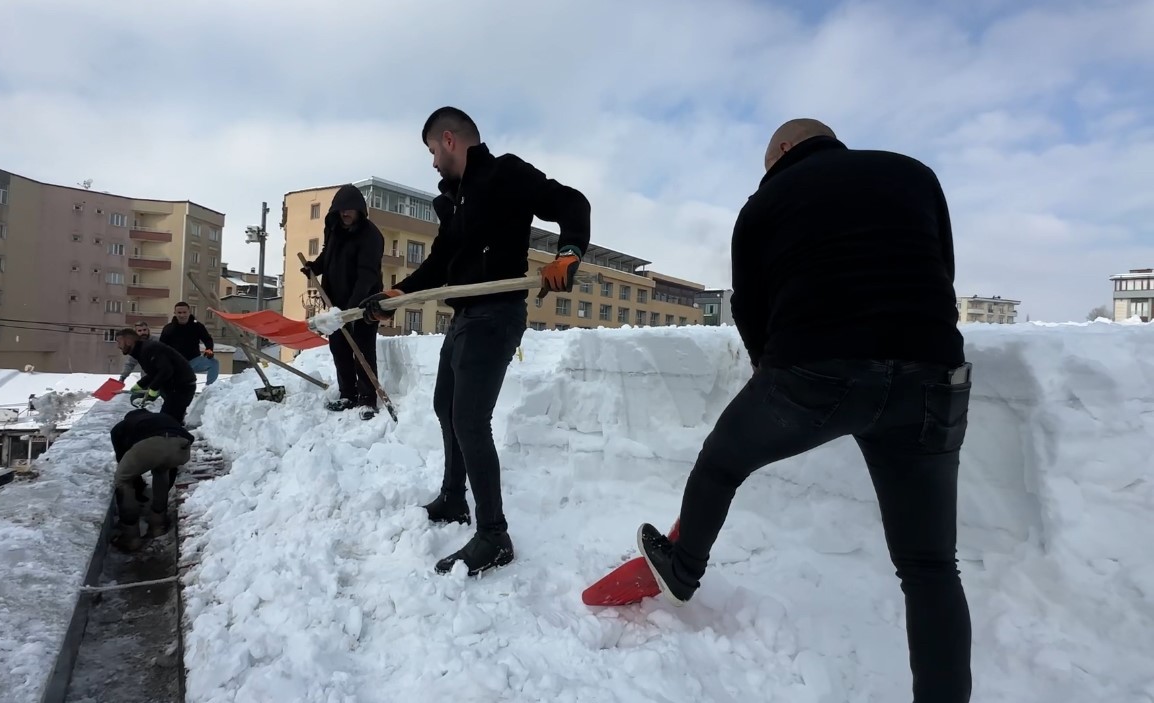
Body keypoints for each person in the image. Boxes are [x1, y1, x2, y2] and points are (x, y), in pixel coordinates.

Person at [635, 119, 972, 702]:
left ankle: (683, 569)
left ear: (784, 151)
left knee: (720, 463)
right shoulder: (915, 174)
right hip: (932, 376)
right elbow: (941, 268)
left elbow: (750, 306)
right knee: (931, 568)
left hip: (816, 369)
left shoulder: (765, 202)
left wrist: (774, 370)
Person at [361, 106, 590, 576]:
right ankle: (453, 498)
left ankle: (494, 534)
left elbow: (572, 204)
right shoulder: (454, 202)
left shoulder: (505, 174)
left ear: (449, 140)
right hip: (465, 316)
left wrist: (568, 253)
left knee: (469, 417)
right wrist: (398, 294)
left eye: (431, 151)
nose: (432, 163)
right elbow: (442, 263)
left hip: (498, 313)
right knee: (446, 406)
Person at [301, 183, 384, 418]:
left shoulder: (371, 236)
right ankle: (348, 394)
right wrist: (314, 268)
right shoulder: (335, 229)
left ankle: (368, 400)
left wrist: (350, 310)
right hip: (335, 303)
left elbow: (367, 275)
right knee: (339, 348)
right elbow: (328, 255)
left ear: (359, 210)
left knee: (363, 349)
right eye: (341, 209)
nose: (345, 213)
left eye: (349, 209)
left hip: (365, 305)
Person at [108, 408, 194, 551]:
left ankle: (130, 536)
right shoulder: (162, 416)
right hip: (181, 446)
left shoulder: (121, 427)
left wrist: (137, 487)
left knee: (123, 481)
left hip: (150, 445)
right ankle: (158, 524)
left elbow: (122, 459)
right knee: (162, 471)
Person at [115, 327, 198, 424]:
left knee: (168, 422)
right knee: (171, 419)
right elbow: (154, 373)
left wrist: (153, 388)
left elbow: (166, 370)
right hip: (175, 387)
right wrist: (139, 385)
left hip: (182, 387)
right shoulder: (141, 351)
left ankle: (179, 435)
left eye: (119, 342)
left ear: (129, 341)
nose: (118, 346)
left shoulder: (148, 349)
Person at [161, 302, 219, 385]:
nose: (182, 315)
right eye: (179, 313)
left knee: (214, 363)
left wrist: (209, 350)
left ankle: (209, 389)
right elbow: (161, 346)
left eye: (184, 312)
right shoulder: (168, 328)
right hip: (176, 363)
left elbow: (207, 339)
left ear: (189, 312)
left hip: (194, 360)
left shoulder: (197, 326)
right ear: (175, 313)